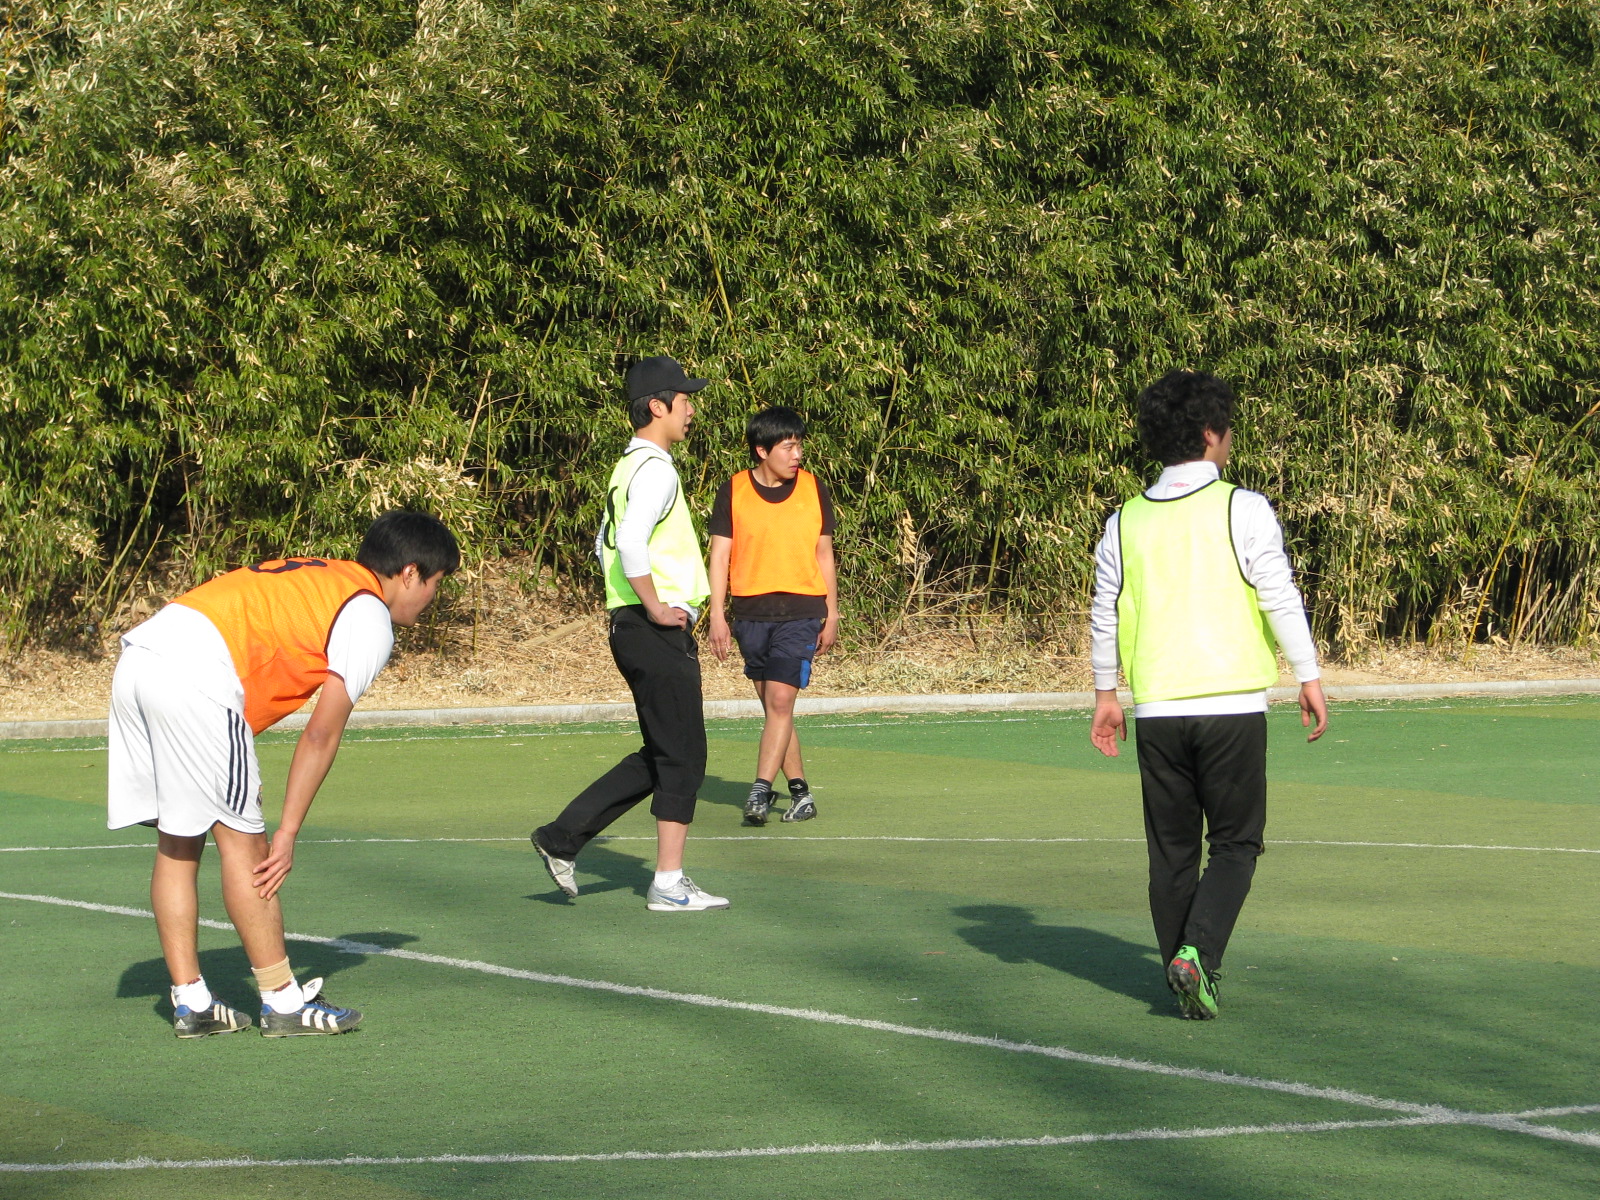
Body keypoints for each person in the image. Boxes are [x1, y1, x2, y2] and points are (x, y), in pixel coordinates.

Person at [108, 510, 460, 1037]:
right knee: (246, 846)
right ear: (410, 573)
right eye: (436, 583)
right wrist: (289, 831)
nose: (433, 597)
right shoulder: (368, 614)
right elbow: (320, 734)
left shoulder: (329, 576)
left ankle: (192, 1002)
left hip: (140, 659)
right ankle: (282, 1002)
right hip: (197, 677)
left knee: (179, 840)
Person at [1088, 370, 1327, 1020]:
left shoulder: (1124, 521)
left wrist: (1106, 693)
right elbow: (1278, 594)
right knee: (1236, 844)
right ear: (1211, 433)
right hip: (1231, 707)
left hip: (1158, 711)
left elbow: (1104, 612)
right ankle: (1198, 955)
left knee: (1171, 853)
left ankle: (1186, 974)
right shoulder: (1242, 507)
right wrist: (1307, 674)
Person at [530, 356, 729, 912]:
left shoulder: (627, 467)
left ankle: (562, 838)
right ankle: (667, 883)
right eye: (684, 400)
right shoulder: (656, 470)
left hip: (633, 626)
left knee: (666, 751)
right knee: (684, 756)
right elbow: (632, 542)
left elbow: (604, 544)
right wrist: (656, 607)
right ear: (657, 407)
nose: (691, 410)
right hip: (652, 627)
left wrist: (633, 608)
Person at [706, 406, 839, 825]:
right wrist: (716, 614)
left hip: (801, 611)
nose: (797, 454)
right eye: (788, 446)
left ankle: (759, 791)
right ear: (762, 450)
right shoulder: (733, 489)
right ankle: (801, 794)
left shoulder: (814, 488)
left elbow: (824, 553)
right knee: (774, 710)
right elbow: (719, 555)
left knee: (781, 700)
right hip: (750, 614)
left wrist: (832, 612)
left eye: (799, 446)